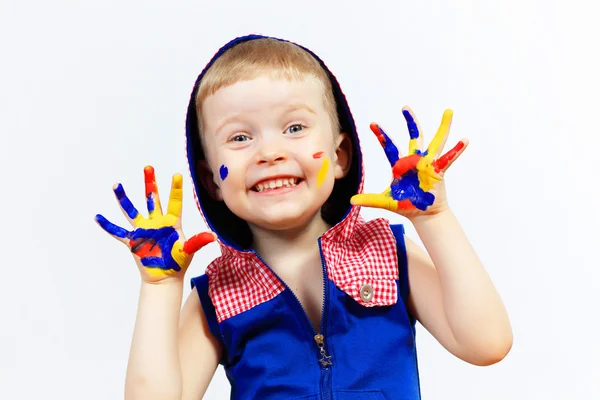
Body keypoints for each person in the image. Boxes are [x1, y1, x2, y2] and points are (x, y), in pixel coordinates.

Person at [96, 34, 513, 400]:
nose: (270, 152)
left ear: (340, 156)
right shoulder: (218, 295)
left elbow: (486, 343)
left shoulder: (388, 252)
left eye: (294, 127)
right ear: (211, 181)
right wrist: (161, 286)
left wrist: (435, 218)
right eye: (240, 137)